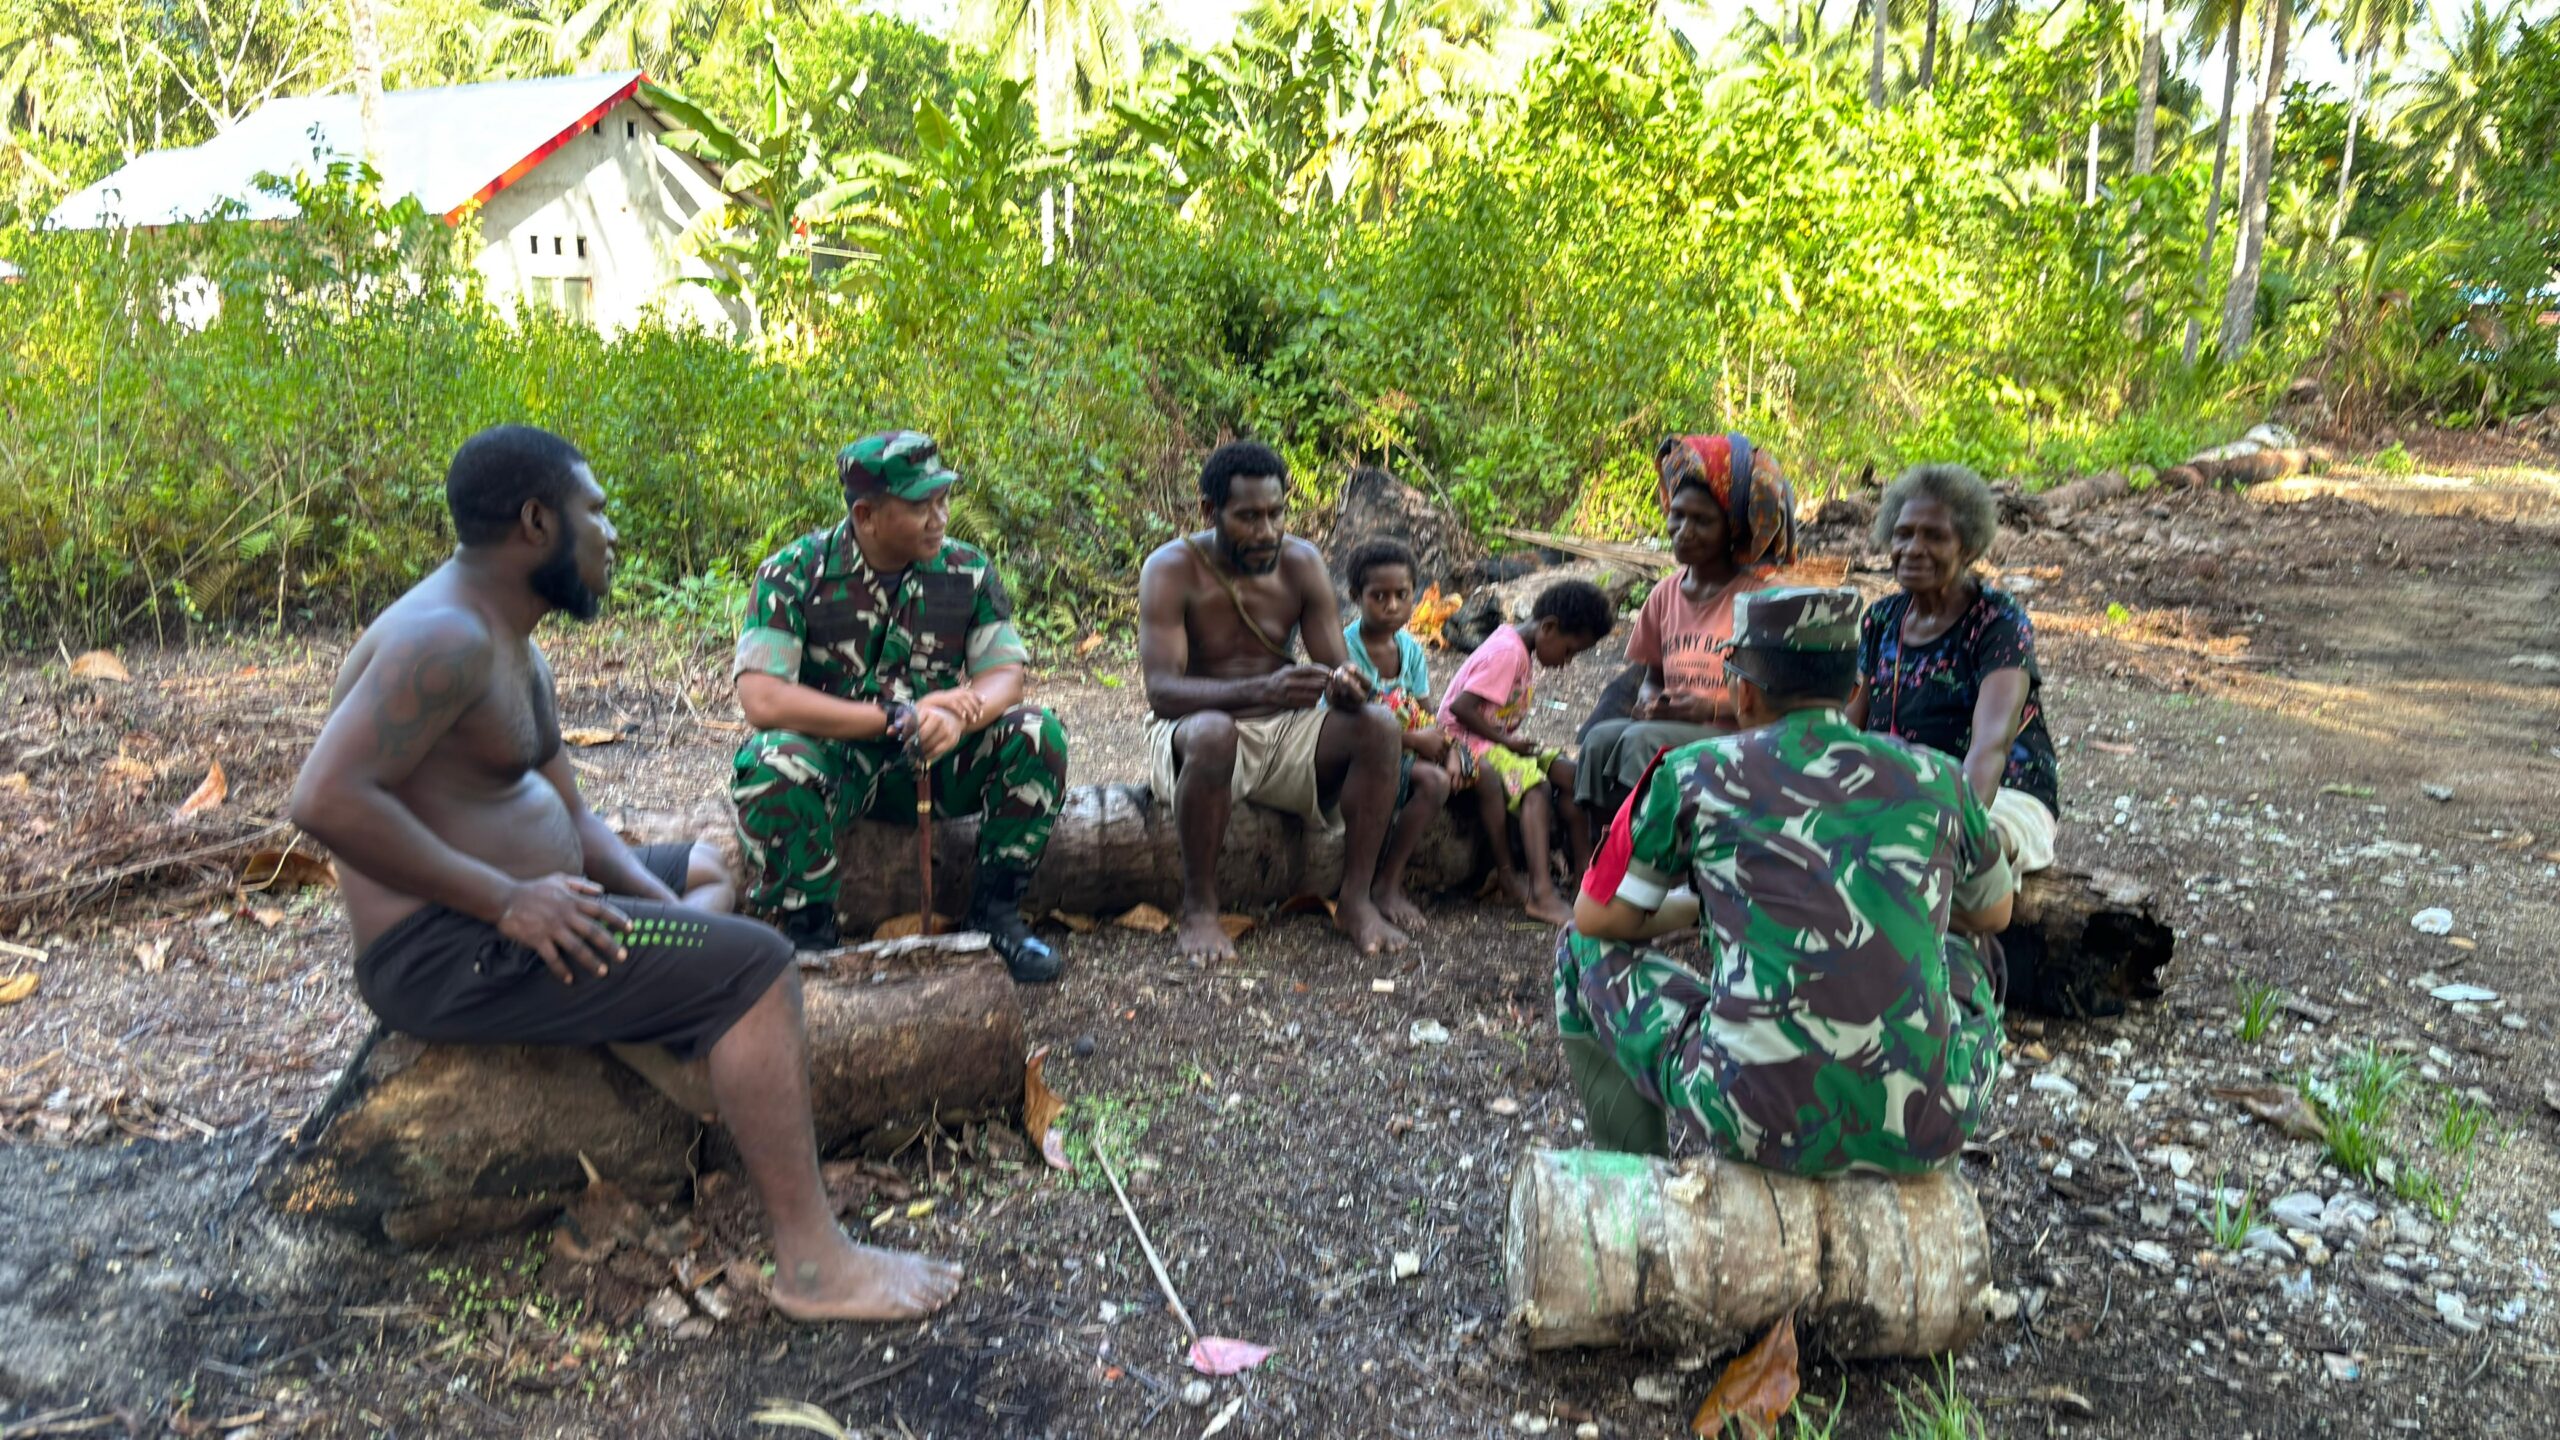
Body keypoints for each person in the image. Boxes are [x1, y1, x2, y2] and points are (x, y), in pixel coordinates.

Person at [289, 425, 961, 1322]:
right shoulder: (441, 638)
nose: (611, 535)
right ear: (537, 522)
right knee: (758, 968)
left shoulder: (511, 641)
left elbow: (572, 818)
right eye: (594, 512)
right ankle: (813, 1266)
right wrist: (509, 901)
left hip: (537, 904)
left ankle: (656, 1025)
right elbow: (325, 800)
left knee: (708, 870)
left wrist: (666, 919)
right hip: (448, 948)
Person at [1554, 586, 2012, 1172]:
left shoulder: (1693, 772)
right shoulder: (1940, 776)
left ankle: (1634, 1179)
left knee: (1579, 947)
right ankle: (1910, 1104)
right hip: (1929, 1124)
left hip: (1751, 1119)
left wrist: (1708, 901)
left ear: (1742, 692)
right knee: (1969, 947)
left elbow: (1598, 917)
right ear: (1852, 693)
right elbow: (1994, 911)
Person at [729, 432, 1068, 981]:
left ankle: (998, 914)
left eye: (943, 500)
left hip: (937, 761)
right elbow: (762, 698)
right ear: (866, 515)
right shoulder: (792, 573)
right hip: (838, 766)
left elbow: (1006, 674)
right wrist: (896, 719)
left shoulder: (967, 570)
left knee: (1037, 731)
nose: (939, 517)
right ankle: (811, 933)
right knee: (769, 761)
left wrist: (959, 716)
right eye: (919, 506)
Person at [1139, 441, 1412, 963]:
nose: (1267, 531)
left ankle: (1355, 900)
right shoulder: (1170, 569)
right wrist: (1261, 690)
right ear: (1208, 511)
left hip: (1285, 731)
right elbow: (1163, 692)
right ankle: (1199, 908)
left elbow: (1339, 666)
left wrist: (1346, 684)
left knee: (1377, 727)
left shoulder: (1302, 563)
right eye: (1248, 517)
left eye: (1275, 513)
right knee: (1215, 732)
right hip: (1196, 732)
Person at [1847, 462, 2060, 873]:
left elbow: (1990, 748)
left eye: (1935, 536)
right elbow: (1848, 725)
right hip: (1899, 790)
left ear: (1968, 548)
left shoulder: (1996, 622)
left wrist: (1954, 830)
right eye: (1903, 534)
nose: (1912, 548)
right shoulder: (1882, 619)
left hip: (2001, 793)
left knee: (1973, 848)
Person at [1577, 433, 1799, 820]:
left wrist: (1707, 708)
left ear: (1731, 529)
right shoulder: (1665, 594)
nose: (1683, 529)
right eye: (1677, 515)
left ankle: (1645, 859)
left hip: (1740, 737)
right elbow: (1653, 677)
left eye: (1702, 521)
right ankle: (1599, 852)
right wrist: (1649, 702)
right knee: (1597, 741)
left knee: (1639, 742)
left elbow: (1785, 696)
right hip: (1673, 730)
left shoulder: (1761, 599)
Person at [1438, 579, 1612, 926]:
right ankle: (1541, 894)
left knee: (1570, 774)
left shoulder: (1518, 647)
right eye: (1568, 651)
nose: (1566, 663)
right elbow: (1461, 708)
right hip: (1464, 742)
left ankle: (1584, 878)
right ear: (1549, 627)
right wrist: (1507, 743)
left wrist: (1508, 742)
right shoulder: (1508, 653)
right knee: (1536, 788)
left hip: (1492, 740)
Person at [1340, 539, 1458, 915]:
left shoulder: (1410, 650)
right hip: (1355, 756)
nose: (1392, 606)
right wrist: (1414, 739)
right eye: (1379, 596)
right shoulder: (1343, 647)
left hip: (1404, 751)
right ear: (1356, 596)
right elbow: (1340, 722)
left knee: (1477, 773)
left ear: (1415, 597)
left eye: (1402, 595)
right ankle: (1387, 884)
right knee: (1435, 782)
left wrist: (1450, 748)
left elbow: (1427, 713)